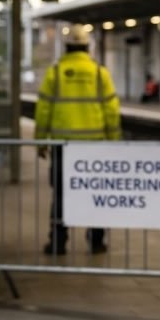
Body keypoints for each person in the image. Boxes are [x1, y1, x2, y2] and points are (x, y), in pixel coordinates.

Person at [34, 25, 120, 255]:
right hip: (95, 146)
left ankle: (58, 242)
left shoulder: (56, 72)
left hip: (63, 146)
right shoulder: (100, 73)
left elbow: (43, 109)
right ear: (87, 46)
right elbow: (111, 110)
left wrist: (41, 141)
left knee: (61, 194)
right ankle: (96, 241)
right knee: (95, 192)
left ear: (67, 46)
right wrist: (114, 140)